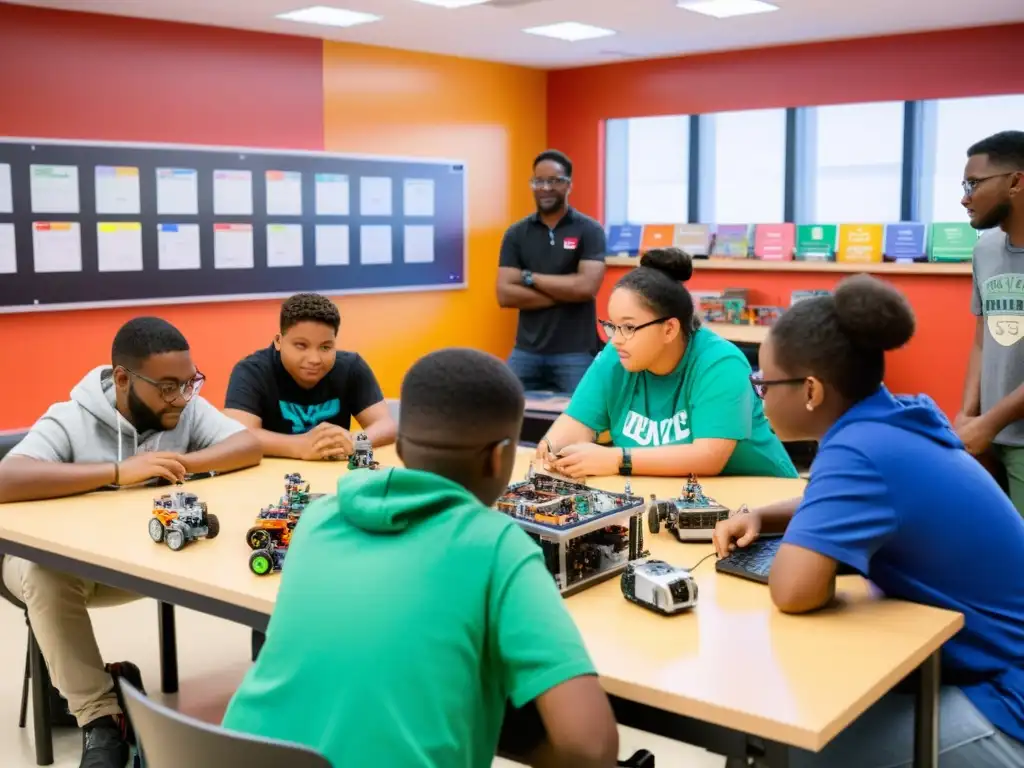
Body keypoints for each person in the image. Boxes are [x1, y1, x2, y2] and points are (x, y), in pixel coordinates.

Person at [222, 348, 619, 768]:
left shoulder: (317, 518)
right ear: (500, 457)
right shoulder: (497, 545)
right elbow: (590, 747)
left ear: (403, 449)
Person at [713, 275, 1024, 767]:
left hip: (1007, 703)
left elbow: (793, 592)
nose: (760, 397)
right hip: (987, 667)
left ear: (810, 390)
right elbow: (860, 503)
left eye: (763, 383)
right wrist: (763, 516)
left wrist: (804, 550)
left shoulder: (857, 451)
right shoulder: (892, 418)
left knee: (793, 750)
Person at [0, 317, 262, 768]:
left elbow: (247, 445)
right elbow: (6, 478)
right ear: (123, 378)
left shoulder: (184, 406)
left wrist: (177, 461)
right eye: (166, 387)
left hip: (142, 560)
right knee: (44, 574)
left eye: (190, 383)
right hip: (56, 569)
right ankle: (100, 720)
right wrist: (118, 474)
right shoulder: (71, 416)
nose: (181, 398)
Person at [537, 247, 796, 479]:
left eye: (628, 327)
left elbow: (709, 457)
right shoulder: (616, 355)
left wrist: (617, 459)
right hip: (671, 496)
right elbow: (576, 424)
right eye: (612, 326)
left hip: (762, 501)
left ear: (670, 329)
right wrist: (550, 450)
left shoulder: (721, 363)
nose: (615, 339)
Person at [224, 292, 396, 460]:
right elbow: (238, 435)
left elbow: (386, 425)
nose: (314, 359)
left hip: (333, 477)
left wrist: (356, 442)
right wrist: (298, 446)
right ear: (279, 341)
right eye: (301, 345)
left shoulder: (351, 367)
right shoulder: (251, 371)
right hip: (271, 479)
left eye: (325, 347)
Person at [497, 149, 607, 394]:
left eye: (554, 181)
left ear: (569, 184)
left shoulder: (589, 230)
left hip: (575, 353)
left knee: (581, 424)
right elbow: (504, 294)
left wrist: (529, 278)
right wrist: (568, 292)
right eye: (538, 181)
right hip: (526, 351)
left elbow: (586, 288)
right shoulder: (516, 234)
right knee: (502, 407)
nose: (545, 187)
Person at [955, 130, 1024, 515]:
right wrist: (969, 414)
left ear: (1015, 181)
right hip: (987, 436)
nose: (965, 197)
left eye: (974, 183)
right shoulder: (985, 249)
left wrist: (988, 423)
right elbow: (983, 338)